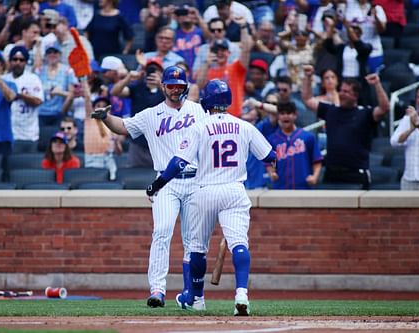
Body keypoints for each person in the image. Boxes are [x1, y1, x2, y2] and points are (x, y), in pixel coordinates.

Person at [145, 79, 276, 315]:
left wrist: (158, 184)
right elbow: (269, 156)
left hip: (204, 190)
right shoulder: (244, 126)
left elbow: (178, 162)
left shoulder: (199, 127)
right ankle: (242, 295)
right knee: (239, 243)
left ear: (208, 101)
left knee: (196, 248)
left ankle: (196, 298)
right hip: (235, 190)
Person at [91, 65, 207, 308]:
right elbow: (123, 126)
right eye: (171, 85)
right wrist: (105, 117)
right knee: (161, 232)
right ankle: (157, 290)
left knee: (193, 240)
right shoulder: (151, 114)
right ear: (163, 86)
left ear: (186, 86)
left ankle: (191, 294)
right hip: (166, 182)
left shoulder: (198, 110)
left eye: (179, 85)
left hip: (196, 180)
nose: (175, 90)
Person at [301, 64, 390, 190]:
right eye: (341, 90)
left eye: (346, 92)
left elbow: (384, 108)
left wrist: (377, 85)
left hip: (356, 174)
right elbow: (307, 99)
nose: (341, 94)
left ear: (355, 96)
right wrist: (308, 77)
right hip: (332, 174)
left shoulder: (365, 113)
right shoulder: (330, 111)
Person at [266, 102, 323, 189]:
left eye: (289, 113)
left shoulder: (307, 137)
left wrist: (315, 176)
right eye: (282, 113)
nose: (285, 116)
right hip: (280, 188)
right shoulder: (272, 139)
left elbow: (317, 160)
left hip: (303, 187)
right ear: (278, 116)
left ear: (295, 115)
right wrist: (272, 172)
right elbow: (271, 162)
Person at [5, 45, 44, 153]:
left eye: (21, 60)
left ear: (26, 62)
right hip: (8, 133)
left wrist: (20, 95)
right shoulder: (4, 79)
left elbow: (38, 101)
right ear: (10, 61)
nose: (18, 62)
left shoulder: (33, 79)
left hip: (29, 133)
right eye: (15, 59)